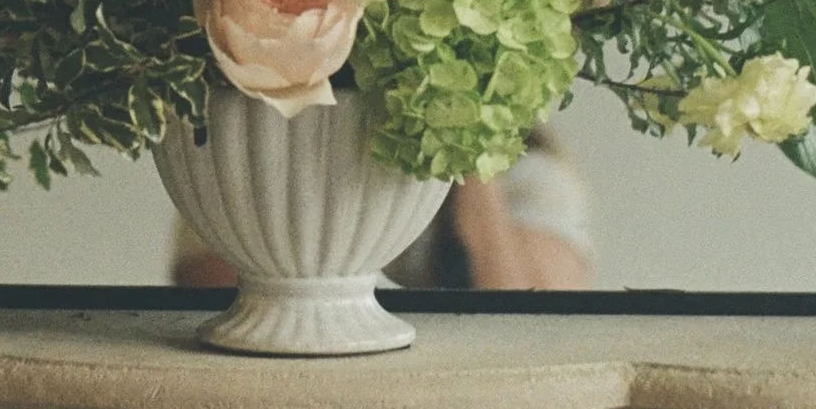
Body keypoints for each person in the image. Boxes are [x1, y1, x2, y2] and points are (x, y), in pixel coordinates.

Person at [170, 129, 597, 291]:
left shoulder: (531, 176)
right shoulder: (249, 154)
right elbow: (213, 298)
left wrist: (470, 146)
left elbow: (535, 330)